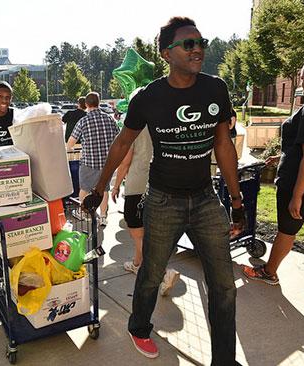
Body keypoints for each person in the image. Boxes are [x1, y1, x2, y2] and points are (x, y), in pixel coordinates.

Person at [83, 17, 244, 364]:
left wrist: (236, 199)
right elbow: (123, 141)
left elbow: (223, 145)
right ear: (166, 54)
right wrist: (99, 187)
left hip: (205, 200)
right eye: (188, 44)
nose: (198, 48)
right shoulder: (148, 97)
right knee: (152, 273)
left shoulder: (215, 89)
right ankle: (139, 326)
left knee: (224, 285)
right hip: (163, 200)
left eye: (201, 42)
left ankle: (225, 360)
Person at [243, 56, 304, 304]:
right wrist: (282, 154)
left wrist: (298, 194)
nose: (301, 82)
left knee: (287, 228)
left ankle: (268, 272)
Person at [111, 126, 180, 296]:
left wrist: (116, 184)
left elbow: (125, 160)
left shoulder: (135, 128)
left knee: (137, 231)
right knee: (149, 231)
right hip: (160, 183)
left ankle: (164, 272)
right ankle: (137, 263)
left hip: (138, 183)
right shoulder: (162, 123)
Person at [66, 92, 119, 227]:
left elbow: (70, 143)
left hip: (89, 162)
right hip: (107, 163)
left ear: (86, 105)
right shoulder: (110, 119)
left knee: (84, 188)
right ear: (99, 102)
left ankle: (82, 212)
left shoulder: (83, 121)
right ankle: (102, 216)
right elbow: (118, 139)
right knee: (104, 189)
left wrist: (71, 148)